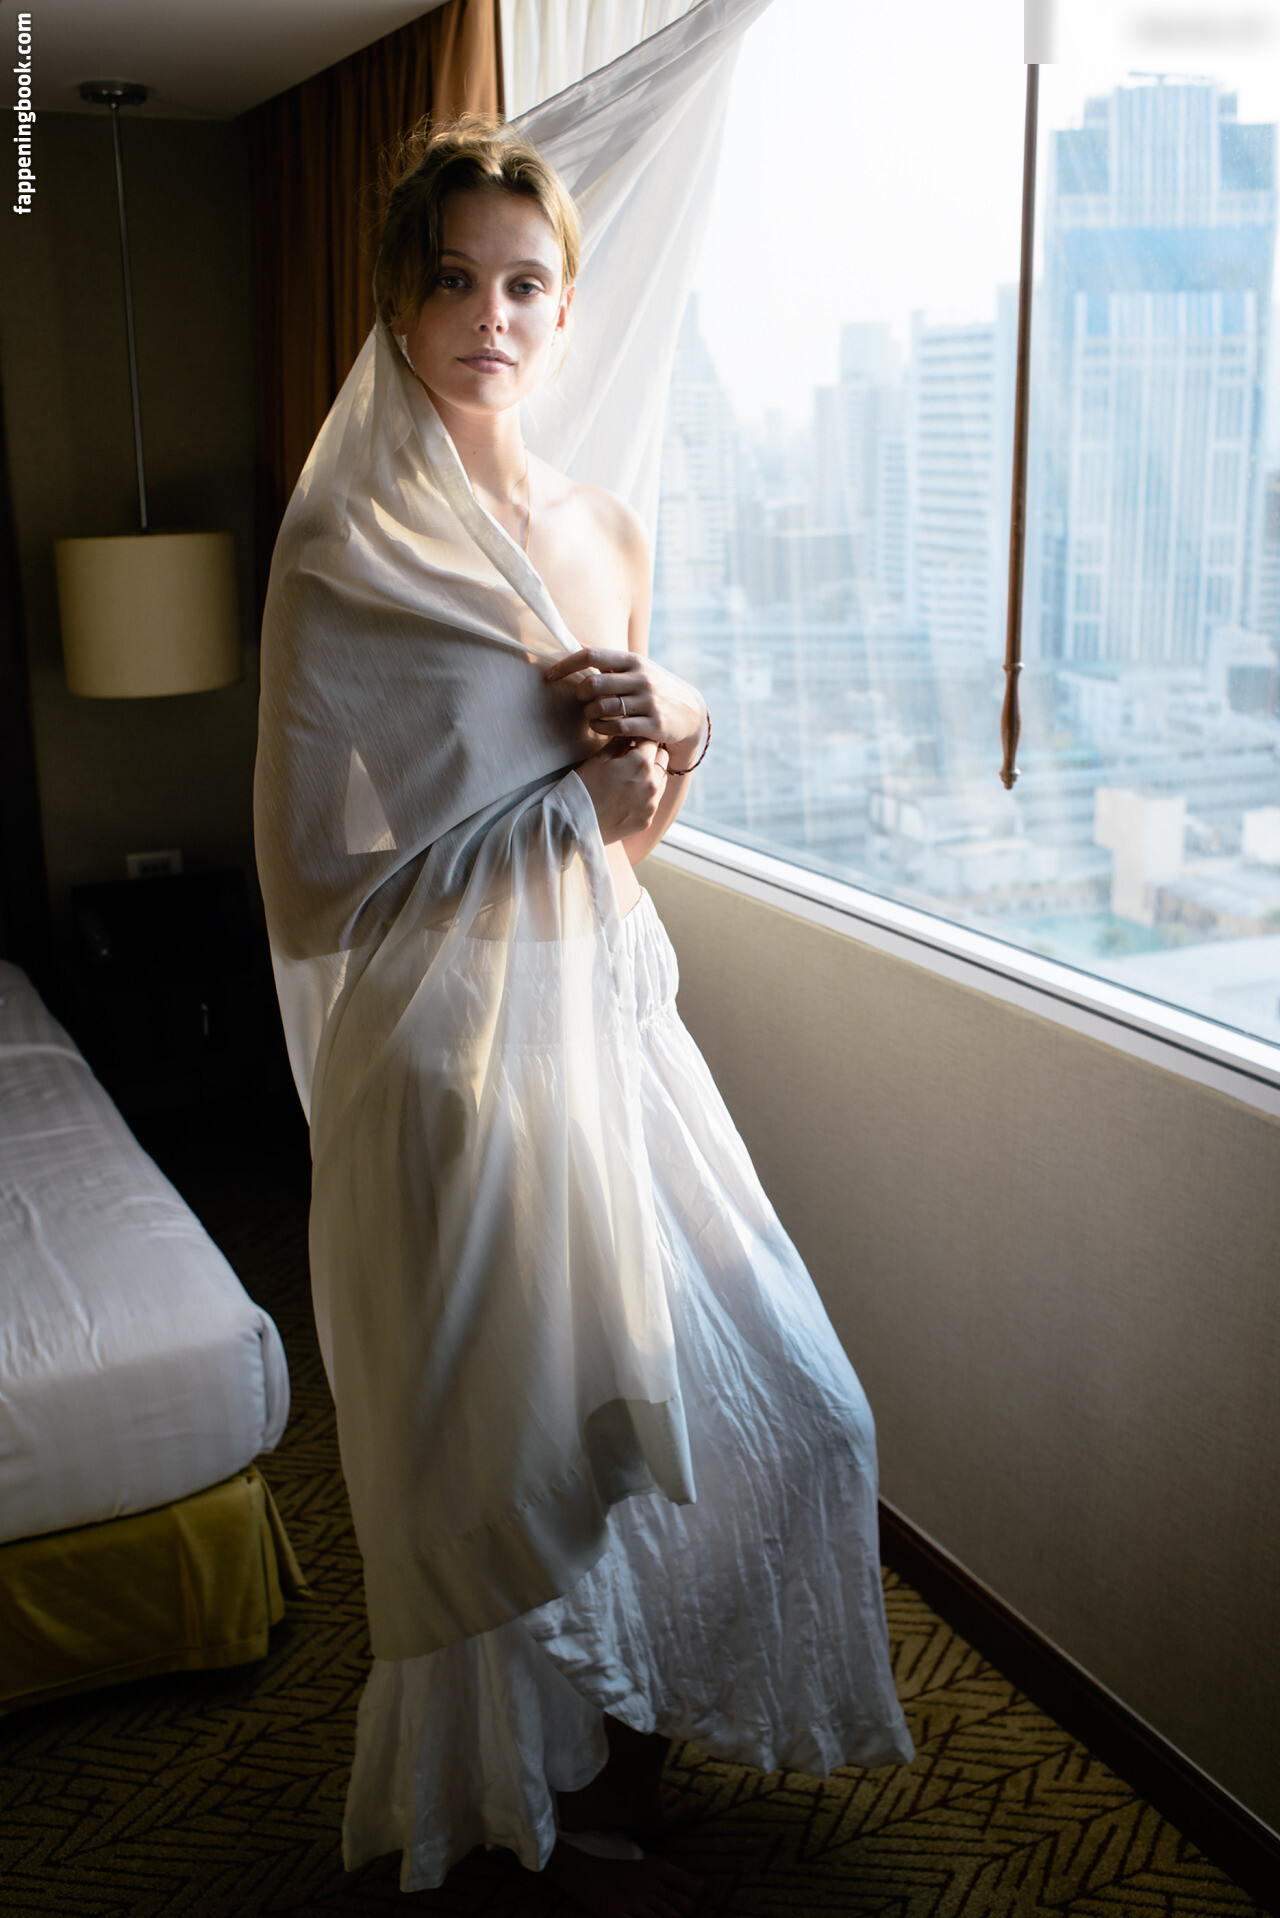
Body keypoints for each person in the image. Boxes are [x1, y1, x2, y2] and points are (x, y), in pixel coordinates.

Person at [255, 118, 914, 1918]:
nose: (492, 313)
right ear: (399, 306)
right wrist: (561, 812)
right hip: (447, 1071)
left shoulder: (607, 527)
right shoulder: (342, 549)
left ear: (565, 311)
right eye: (452, 279)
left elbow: (628, 831)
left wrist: (680, 727)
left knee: (803, 1412)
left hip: (609, 1037)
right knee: (516, 1453)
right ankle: (539, 1812)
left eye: (525, 283)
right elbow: (313, 882)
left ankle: (615, 1763)